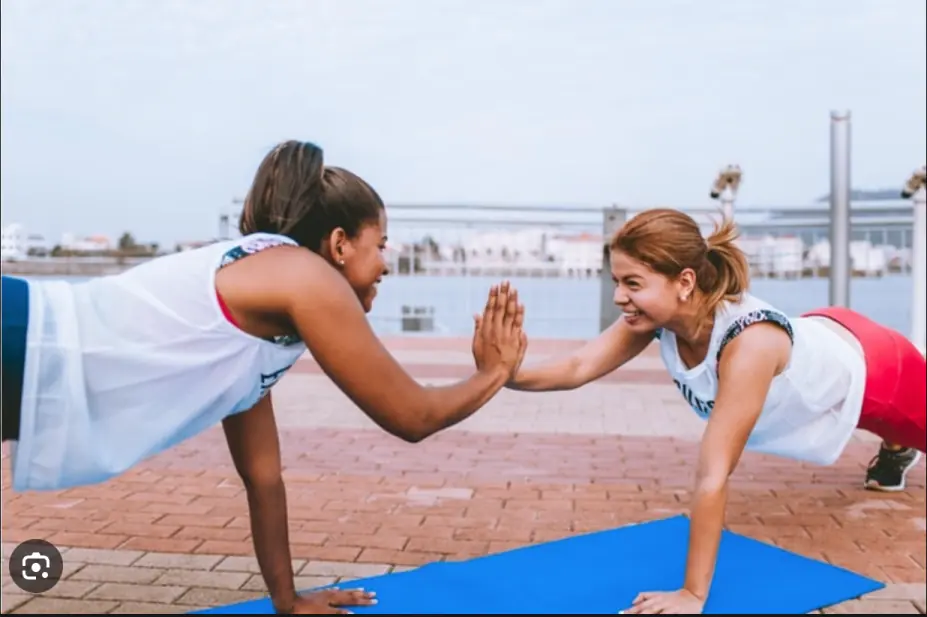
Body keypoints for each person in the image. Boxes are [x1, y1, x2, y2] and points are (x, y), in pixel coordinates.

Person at [0, 139, 528, 615]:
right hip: (21, 336)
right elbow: (412, 417)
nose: (386, 265)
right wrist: (495, 371)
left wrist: (288, 601)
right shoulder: (304, 276)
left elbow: (264, 478)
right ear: (341, 244)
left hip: (24, 357)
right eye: (381, 244)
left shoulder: (259, 322)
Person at [505, 207, 925, 615]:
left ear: (684, 281)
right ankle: (896, 444)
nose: (619, 297)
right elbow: (579, 366)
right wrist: (504, 373)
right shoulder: (654, 318)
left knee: (905, 425)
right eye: (616, 281)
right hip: (822, 332)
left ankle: (897, 444)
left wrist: (692, 593)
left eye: (632, 282)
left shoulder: (749, 344)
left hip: (876, 368)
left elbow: (713, 473)